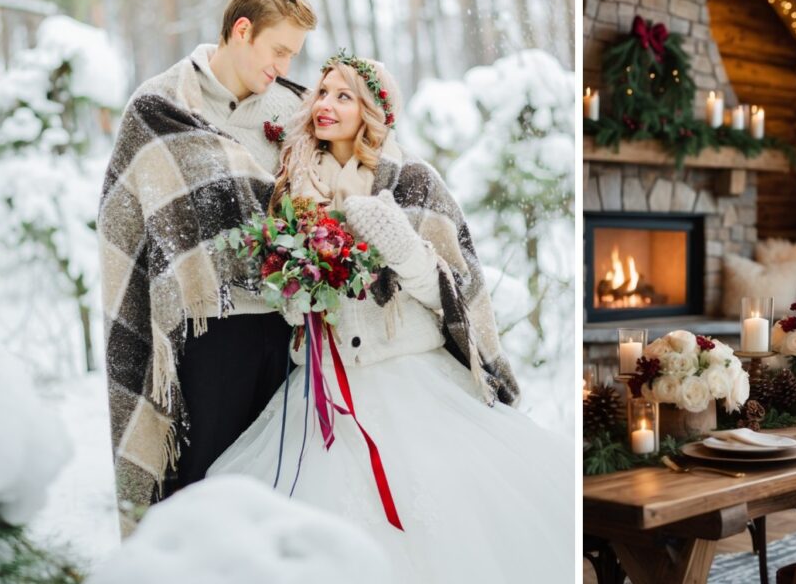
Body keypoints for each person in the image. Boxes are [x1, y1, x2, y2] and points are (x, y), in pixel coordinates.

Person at [207, 53, 573, 582]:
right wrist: (298, 284)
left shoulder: (412, 181)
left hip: (411, 379)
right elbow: (285, 305)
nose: (326, 105)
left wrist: (403, 248)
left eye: (344, 96)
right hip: (323, 389)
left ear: (372, 111)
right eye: (323, 92)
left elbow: (453, 292)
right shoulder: (291, 185)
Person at [98, 0, 317, 534]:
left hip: (289, 332)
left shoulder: (296, 110)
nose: (284, 66)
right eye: (278, 50)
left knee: (280, 492)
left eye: (293, 55)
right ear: (242, 31)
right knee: (203, 487)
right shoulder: (161, 106)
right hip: (209, 333)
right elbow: (124, 221)